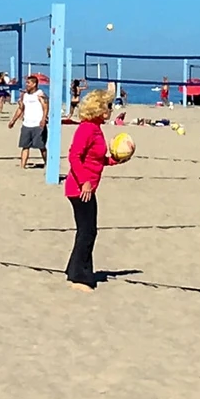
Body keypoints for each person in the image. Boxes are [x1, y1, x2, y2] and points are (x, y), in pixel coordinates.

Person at [62, 89, 131, 290]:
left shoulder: (95, 129)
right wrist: (84, 181)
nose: (111, 109)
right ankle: (79, 277)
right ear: (99, 109)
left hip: (87, 187)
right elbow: (74, 156)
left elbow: (97, 159)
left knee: (86, 231)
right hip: (79, 188)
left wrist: (116, 160)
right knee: (88, 231)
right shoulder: (86, 129)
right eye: (108, 106)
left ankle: (74, 270)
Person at [10, 74, 49, 169]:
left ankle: (47, 163)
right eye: (26, 82)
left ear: (34, 84)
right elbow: (21, 108)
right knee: (25, 146)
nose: (26, 84)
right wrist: (13, 120)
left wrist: (43, 119)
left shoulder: (40, 94)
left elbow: (45, 107)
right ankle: (22, 166)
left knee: (41, 146)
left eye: (28, 83)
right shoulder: (25, 95)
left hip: (38, 124)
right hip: (27, 124)